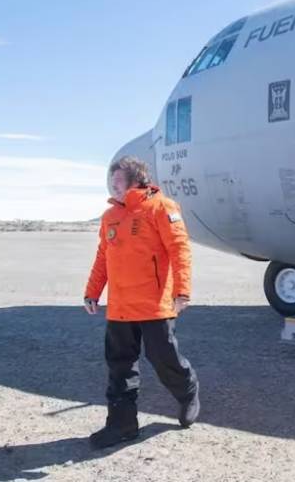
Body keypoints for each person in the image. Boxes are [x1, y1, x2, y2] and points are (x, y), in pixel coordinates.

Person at [83, 156, 199, 449]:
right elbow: (103, 257)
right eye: (111, 181)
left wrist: (182, 291)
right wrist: (92, 292)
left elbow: (179, 250)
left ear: (136, 180)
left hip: (154, 305)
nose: (113, 185)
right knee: (120, 368)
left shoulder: (162, 207)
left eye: (118, 180)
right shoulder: (110, 216)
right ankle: (122, 425)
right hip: (120, 308)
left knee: (164, 359)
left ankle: (187, 391)